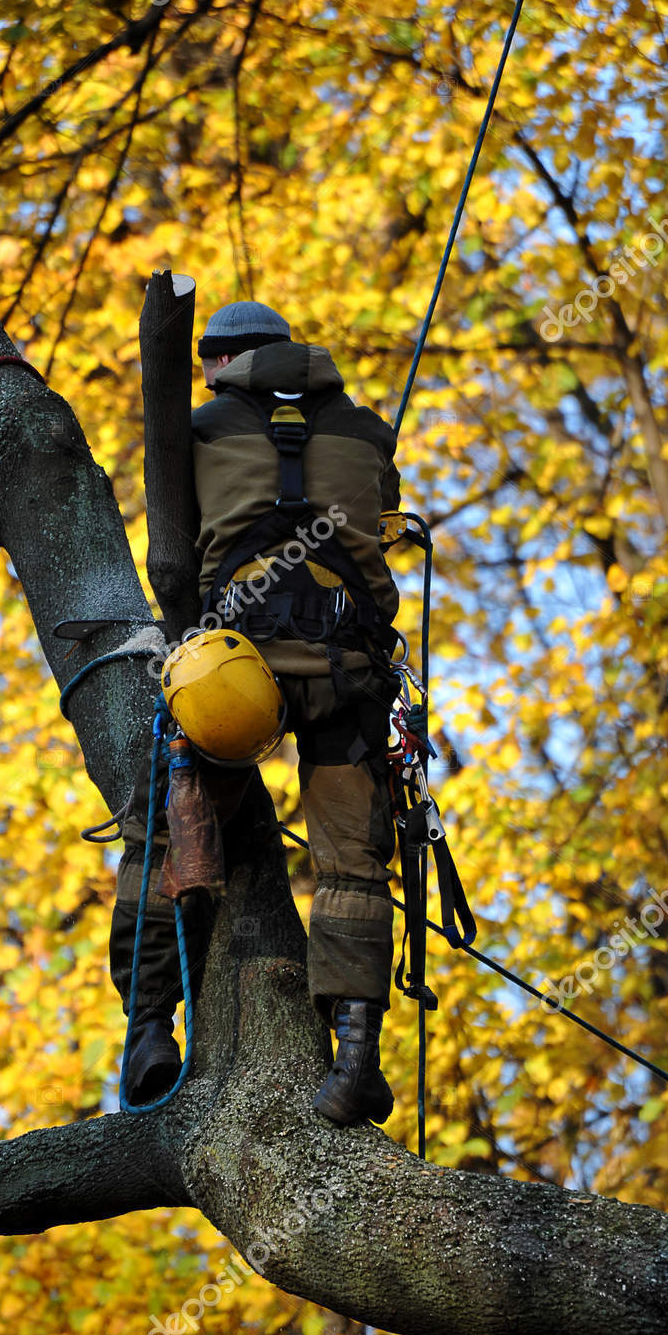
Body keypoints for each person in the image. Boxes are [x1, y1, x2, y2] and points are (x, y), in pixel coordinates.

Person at [109, 300, 402, 1124]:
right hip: (345, 668)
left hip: (233, 672)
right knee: (352, 861)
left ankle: (148, 1028)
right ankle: (355, 1061)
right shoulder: (366, 431)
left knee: (166, 837)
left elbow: (175, 550)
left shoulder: (193, 430)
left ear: (219, 362)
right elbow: (381, 519)